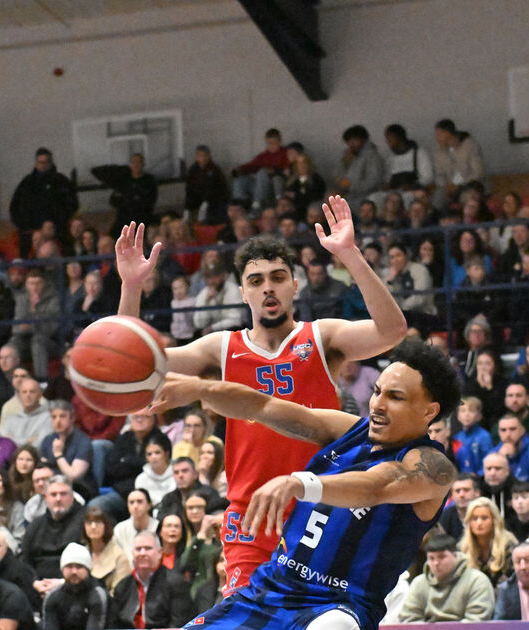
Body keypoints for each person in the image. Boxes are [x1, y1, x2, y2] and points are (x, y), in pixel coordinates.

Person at [115, 195, 407, 595]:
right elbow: (133, 362)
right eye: (256, 281)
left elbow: (392, 331)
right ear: (243, 292)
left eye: (278, 277)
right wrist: (132, 286)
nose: (268, 287)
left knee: (317, 618)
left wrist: (350, 255)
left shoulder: (322, 337)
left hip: (319, 505)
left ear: (294, 285)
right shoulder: (220, 348)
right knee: (245, 617)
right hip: (250, 514)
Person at [145, 338, 459, 629]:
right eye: (377, 392)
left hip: (338, 605)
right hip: (271, 589)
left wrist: (301, 483)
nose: (377, 404)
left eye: (395, 397)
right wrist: (200, 389)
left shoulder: (433, 468)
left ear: (428, 411)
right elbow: (262, 406)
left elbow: (378, 485)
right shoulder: (350, 431)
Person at [398, 533, 495, 622]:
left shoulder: (477, 581)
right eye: (431, 558)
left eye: (442, 557)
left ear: (455, 556)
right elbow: (409, 619)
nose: (436, 563)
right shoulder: (419, 583)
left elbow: (477, 621)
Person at [108, 531, 195, 629]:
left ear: (160, 553)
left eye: (148, 548)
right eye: (138, 549)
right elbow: (113, 624)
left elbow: (180, 624)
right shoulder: (123, 586)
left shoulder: (176, 582)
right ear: (132, 554)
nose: (142, 553)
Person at [9, 148, 77, 259]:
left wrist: (54, 224)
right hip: (32, 229)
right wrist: (33, 228)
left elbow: (72, 205)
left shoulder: (61, 182)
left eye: (46, 162)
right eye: (40, 162)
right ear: (36, 163)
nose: (43, 166)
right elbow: (15, 208)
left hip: (59, 228)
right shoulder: (27, 184)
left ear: (51, 162)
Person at [21, 475, 86, 580]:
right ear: (46, 498)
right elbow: (25, 560)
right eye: (53, 494)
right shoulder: (36, 525)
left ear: (72, 496)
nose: (58, 499)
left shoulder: (85, 522)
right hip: (38, 584)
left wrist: (62, 582)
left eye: (63, 494)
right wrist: (34, 582)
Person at [42, 543, 109, 630]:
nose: (74, 571)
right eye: (69, 566)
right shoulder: (52, 597)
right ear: (62, 570)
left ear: (88, 570)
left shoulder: (97, 595)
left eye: (79, 567)